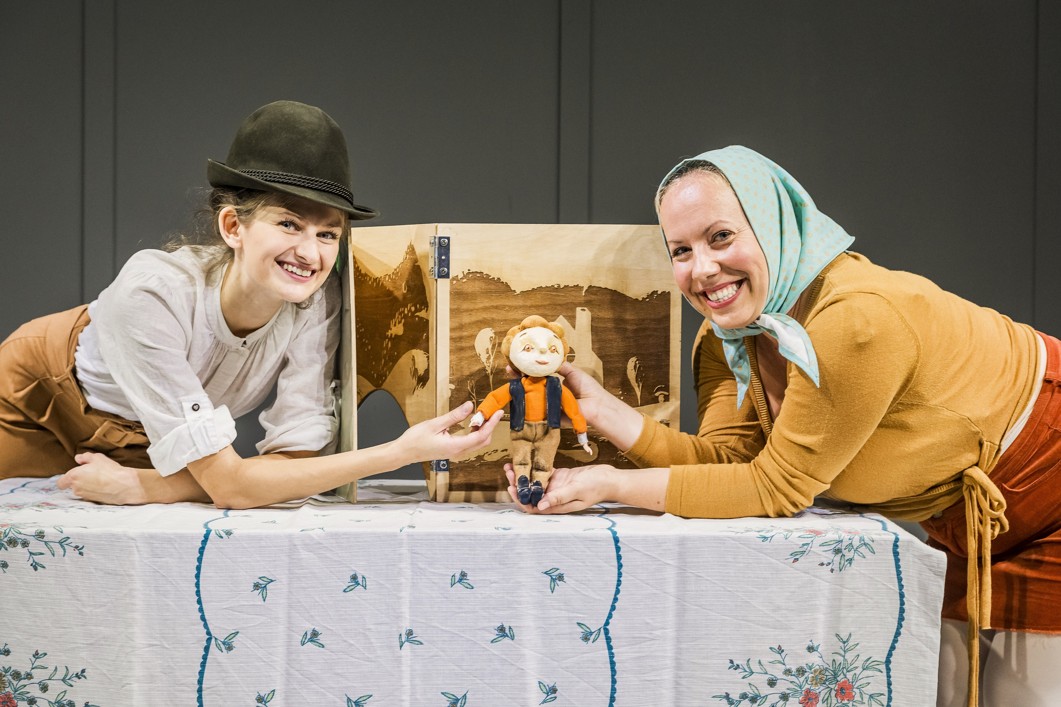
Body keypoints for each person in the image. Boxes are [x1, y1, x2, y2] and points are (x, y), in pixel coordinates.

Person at [505, 145, 1061, 706]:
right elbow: (731, 465)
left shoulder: (855, 320)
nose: (703, 269)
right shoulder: (727, 337)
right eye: (681, 250)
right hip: (968, 524)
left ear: (773, 224)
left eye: (721, 237)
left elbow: (776, 487)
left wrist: (610, 483)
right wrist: (605, 414)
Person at [0, 99, 501, 508]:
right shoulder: (152, 293)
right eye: (288, 224)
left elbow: (293, 463)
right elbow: (233, 486)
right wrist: (398, 453)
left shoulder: (316, 304)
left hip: (151, 444)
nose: (310, 254)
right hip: (37, 402)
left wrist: (149, 484)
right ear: (232, 227)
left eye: (328, 234)